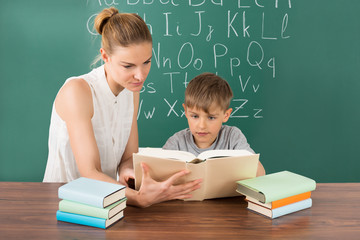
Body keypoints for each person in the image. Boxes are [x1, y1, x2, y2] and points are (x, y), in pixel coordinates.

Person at [43, 7, 202, 207]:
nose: (140, 75)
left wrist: (127, 172)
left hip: (108, 203)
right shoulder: (77, 91)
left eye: (146, 62)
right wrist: (138, 198)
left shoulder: (131, 91)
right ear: (105, 56)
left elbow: (128, 157)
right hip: (63, 203)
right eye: (128, 66)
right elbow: (90, 173)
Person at [163, 73, 266, 176]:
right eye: (195, 116)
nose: (202, 126)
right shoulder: (176, 142)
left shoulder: (232, 137)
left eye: (211, 117)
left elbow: (260, 173)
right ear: (186, 111)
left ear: (226, 115)